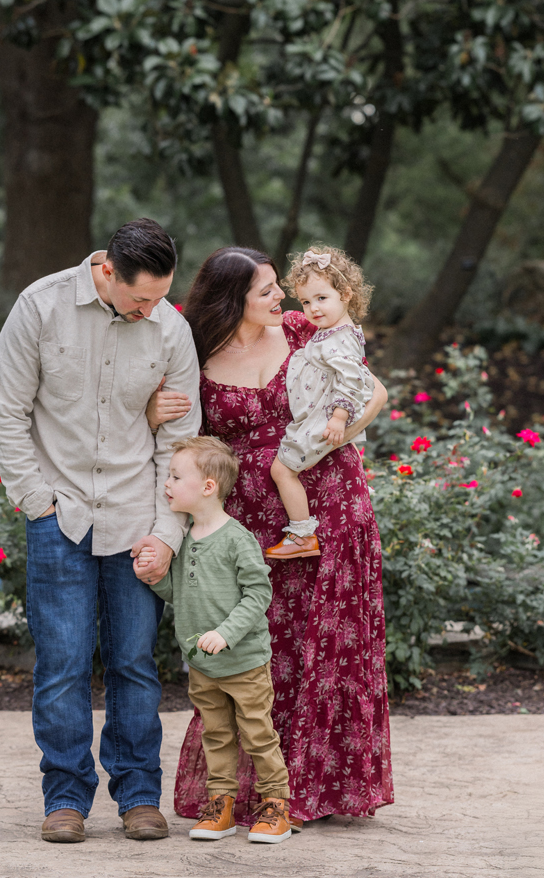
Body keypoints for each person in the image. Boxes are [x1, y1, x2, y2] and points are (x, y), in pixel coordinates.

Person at [146, 246, 393, 828]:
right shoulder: (194, 352)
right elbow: (177, 434)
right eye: (266, 290)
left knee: (327, 645)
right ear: (233, 300)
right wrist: (155, 414)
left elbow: (373, 393)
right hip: (245, 524)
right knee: (258, 649)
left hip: (325, 505)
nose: (282, 296)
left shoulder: (309, 328)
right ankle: (245, 789)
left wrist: (329, 442)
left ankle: (316, 789)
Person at [0, 218, 201, 845]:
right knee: (62, 663)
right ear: (106, 270)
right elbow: (7, 412)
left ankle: (139, 795)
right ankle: (66, 798)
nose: (151, 310)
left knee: (135, 663)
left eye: (160, 297)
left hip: (137, 515)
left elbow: (178, 445)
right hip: (61, 512)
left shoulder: (171, 327)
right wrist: (35, 502)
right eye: (141, 298)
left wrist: (167, 532)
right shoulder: (41, 306)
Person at [147, 436, 292, 846]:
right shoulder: (186, 537)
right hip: (203, 666)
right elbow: (179, 593)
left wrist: (225, 633)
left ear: (208, 487)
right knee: (216, 736)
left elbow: (258, 594)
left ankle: (276, 806)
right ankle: (221, 805)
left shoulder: (236, 539)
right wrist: (153, 576)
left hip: (243, 664)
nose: (167, 484)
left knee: (258, 734)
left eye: (176, 476)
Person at [265, 246, 376, 561]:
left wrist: (339, 418)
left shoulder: (340, 339)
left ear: (345, 294)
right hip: (315, 418)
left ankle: (302, 534)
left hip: (323, 421)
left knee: (282, 470)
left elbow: (354, 380)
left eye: (321, 298)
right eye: (305, 301)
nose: (313, 308)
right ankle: (302, 532)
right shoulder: (330, 333)